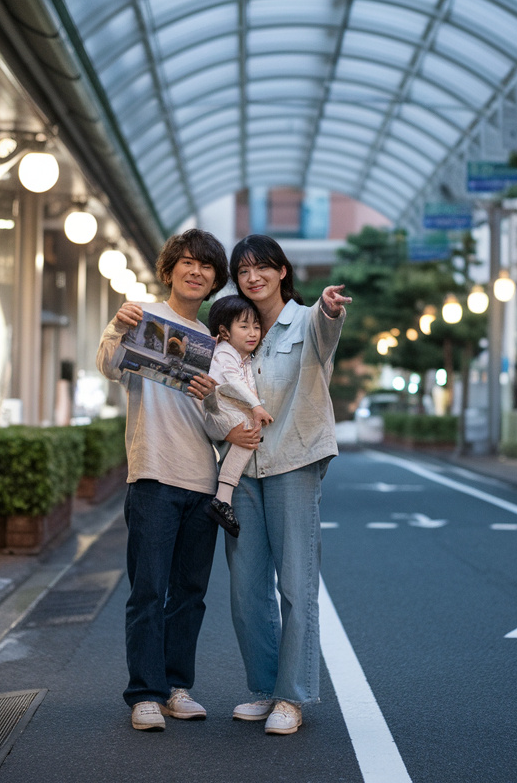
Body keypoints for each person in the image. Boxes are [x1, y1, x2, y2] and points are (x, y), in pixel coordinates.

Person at [96, 228, 256, 732]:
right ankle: (144, 693)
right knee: (148, 589)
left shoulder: (214, 342)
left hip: (202, 480)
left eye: (206, 266)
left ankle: (176, 687)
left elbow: (213, 421)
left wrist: (216, 405)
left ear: (215, 281)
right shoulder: (142, 315)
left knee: (189, 592)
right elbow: (108, 366)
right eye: (187, 262)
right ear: (169, 270)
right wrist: (117, 326)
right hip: (152, 474)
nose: (196, 271)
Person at [221, 234, 351, 736]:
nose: (252, 277)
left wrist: (330, 308)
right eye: (243, 270)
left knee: (295, 585)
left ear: (282, 271)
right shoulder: (234, 328)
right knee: (246, 589)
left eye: (262, 268)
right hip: (241, 468)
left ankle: (292, 697)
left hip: (293, 461)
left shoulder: (306, 320)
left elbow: (326, 327)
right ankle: (266, 689)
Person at [203, 295, 273, 535]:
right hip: (215, 411)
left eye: (256, 326)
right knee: (249, 431)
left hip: (227, 411)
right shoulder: (224, 352)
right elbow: (234, 382)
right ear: (224, 332)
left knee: (250, 435)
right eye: (244, 327)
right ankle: (222, 497)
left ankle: (223, 498)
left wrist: (255, 406)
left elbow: (249, 384)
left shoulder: (245, 358)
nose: (253, 333)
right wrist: (256, 406)